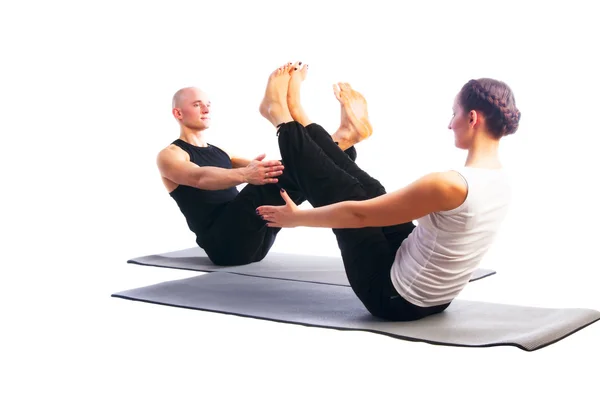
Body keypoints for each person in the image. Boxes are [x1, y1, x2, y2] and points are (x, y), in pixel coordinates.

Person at [256, 65, 520, 321]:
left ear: (472, 118)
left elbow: (358, 216)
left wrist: (296, 218)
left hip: (393, 298)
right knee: (373, 191)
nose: (450, 124)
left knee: (349, 194)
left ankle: (280, 117)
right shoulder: (501, 180)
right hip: (433, 296)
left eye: (454, 114)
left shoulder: (450, 184)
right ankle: (300, 116)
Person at [156, 62, 375, 265]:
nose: (206, 109)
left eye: (207, 104)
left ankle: (340, 138)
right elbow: (199, 177)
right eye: (197, 105)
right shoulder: (170, 155)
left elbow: (284, 167)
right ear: (178, 113)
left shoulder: (220, 151)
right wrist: (245, 175)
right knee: (279, 174)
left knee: (294, 171)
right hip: (224, 245)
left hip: (259, 235)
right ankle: (333, 133)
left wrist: (275, 167)